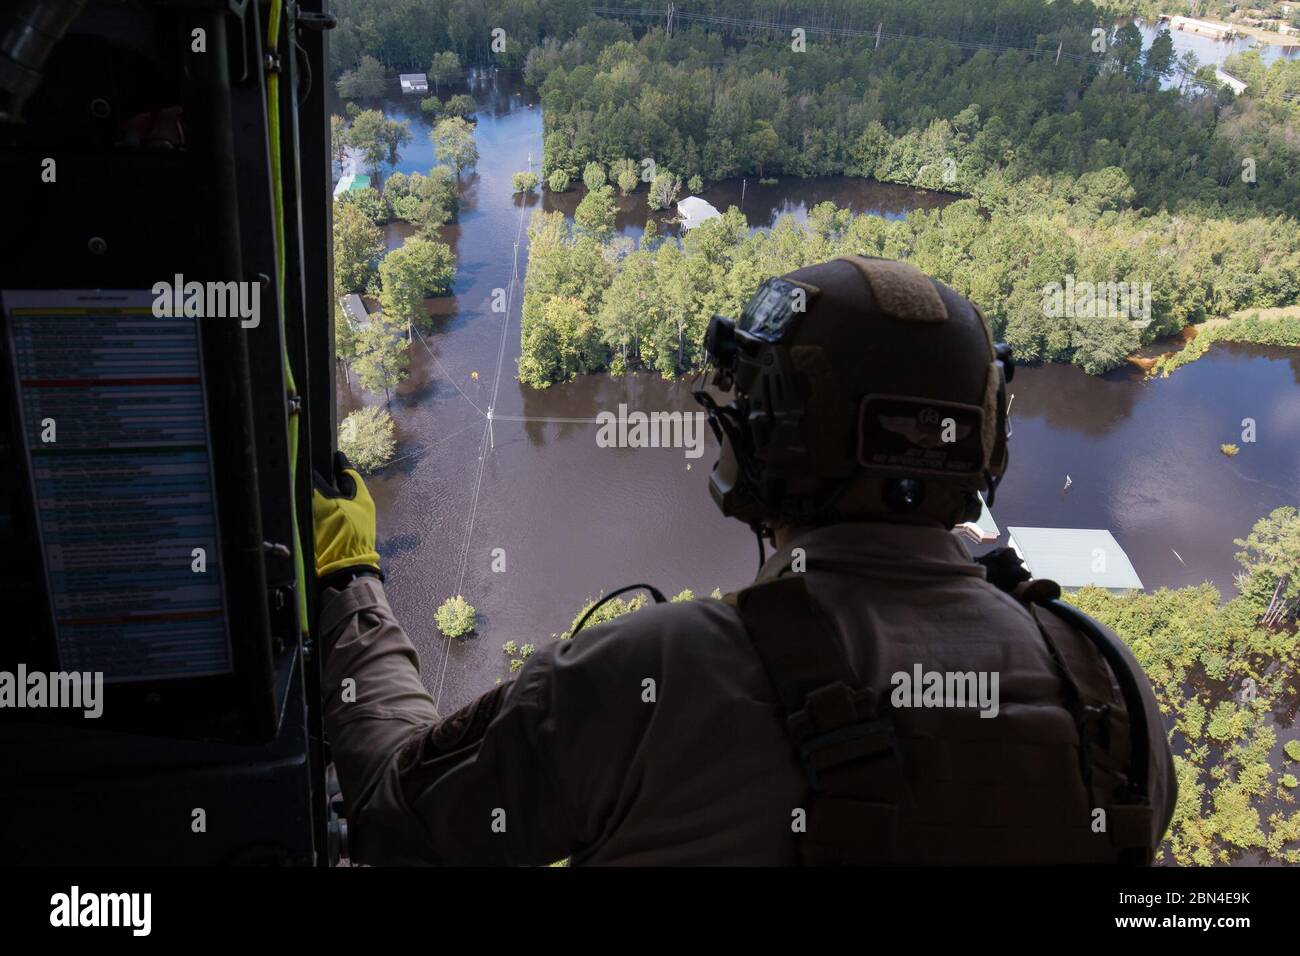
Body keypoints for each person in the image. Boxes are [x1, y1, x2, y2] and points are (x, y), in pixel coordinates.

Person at [312, 255, 1176, 866]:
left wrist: (349, 574)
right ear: (986, 443)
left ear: (763, 438)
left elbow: (398, 814)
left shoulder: (654, 676)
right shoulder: (1106, 685)